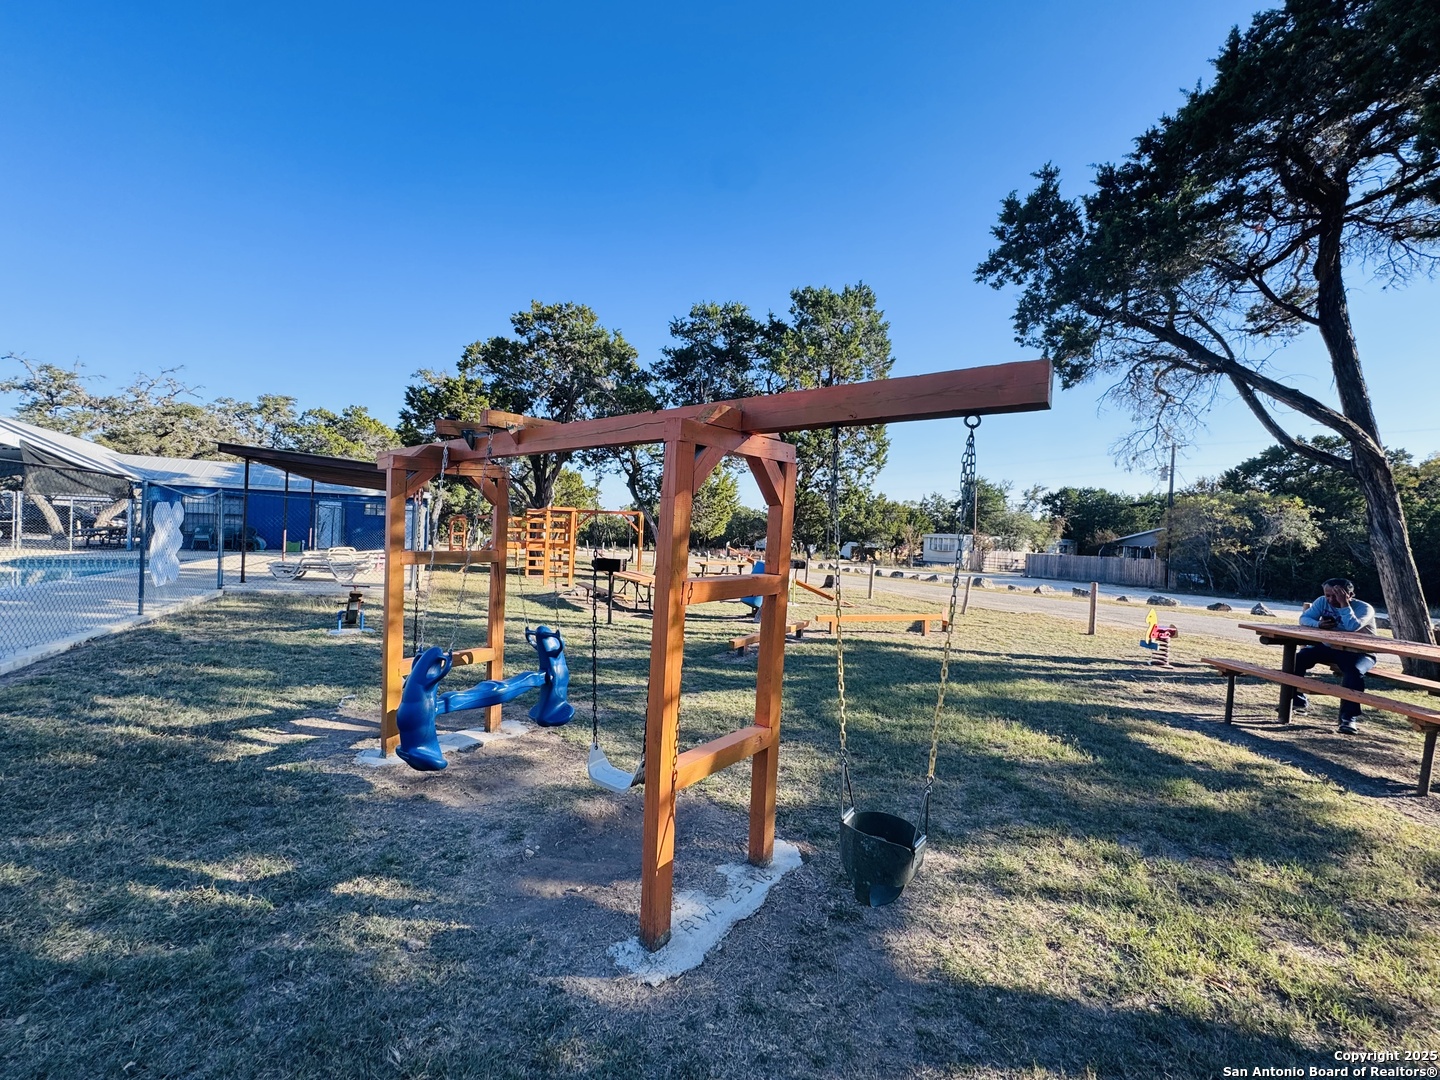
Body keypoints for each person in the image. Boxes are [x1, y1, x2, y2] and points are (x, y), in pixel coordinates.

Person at [1292, 577, 1377, 734]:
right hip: (1331, 648)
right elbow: (1304, 618)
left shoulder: (1365, 609)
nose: (1331, 600)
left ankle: (1348, 718)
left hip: (1359, 652)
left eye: (1336, 596)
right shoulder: (1322, 601)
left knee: (1353, 672)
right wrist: (1318, 624)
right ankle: (1297, 701)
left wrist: (1344, 604)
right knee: (1300, 657)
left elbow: (1352, 627)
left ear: (1349, 595)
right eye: (1328, 595)